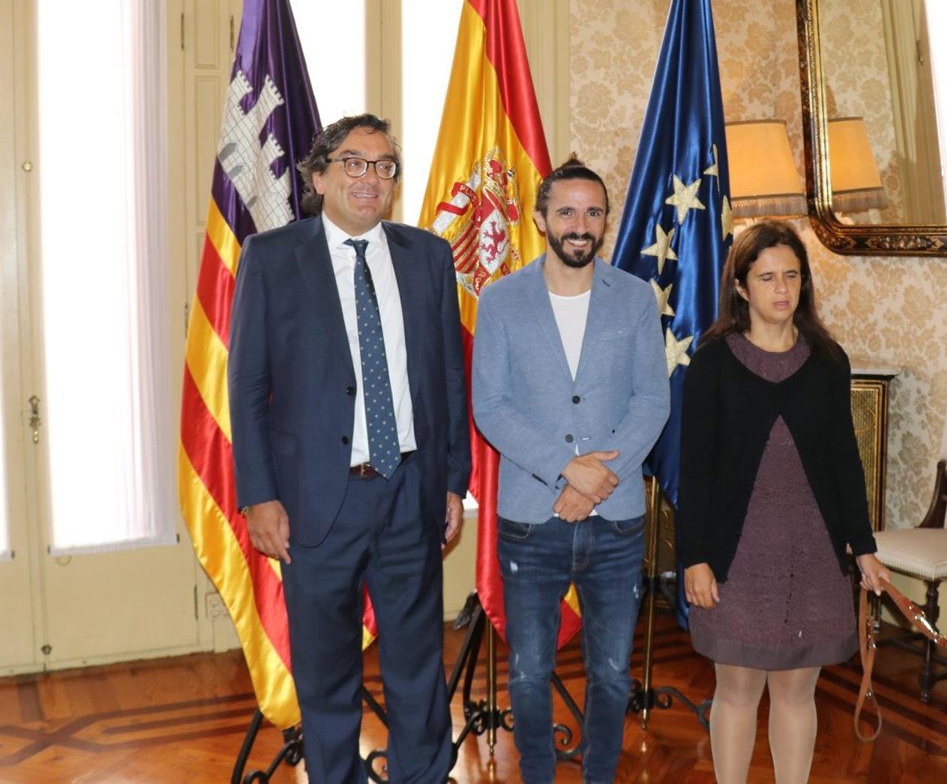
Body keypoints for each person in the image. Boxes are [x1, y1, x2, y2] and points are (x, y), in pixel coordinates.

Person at [228, 113, 470, 784]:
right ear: (318, 177)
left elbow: (446, 377)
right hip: (315, 502)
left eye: (384, 166)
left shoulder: (427, 256)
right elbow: (245, 388)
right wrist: (259, 495)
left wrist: (453, 479)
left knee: (418, 662)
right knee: (327, 669)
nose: (371, 178)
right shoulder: (272, 258)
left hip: (410, 491)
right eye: (355, 163)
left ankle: (423, 774)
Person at [471, 158, 671, 784]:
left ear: (605, 221)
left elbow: (652, 401)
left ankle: (599, 774)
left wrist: (597, 482)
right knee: (529, 672)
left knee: (610, 671)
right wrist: (567, 471)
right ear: (540, 219)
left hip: (616, 522)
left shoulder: (635, 298)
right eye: (566, 212)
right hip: (532, 521)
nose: (580, 225)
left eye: (593, 212)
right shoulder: (500, 300)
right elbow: (490, 407)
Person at [677, 221, 890, 784]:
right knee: (738, 689)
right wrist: (694, 556)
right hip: (735, 555)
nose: (781, 289)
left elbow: (845, 461)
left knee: (798, 690)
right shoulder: (713, 362)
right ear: (740, 287)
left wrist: (863, 547)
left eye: (792, 276)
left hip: (812, 553)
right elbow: (693, 469)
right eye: (767, 277)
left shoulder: (827, 360)